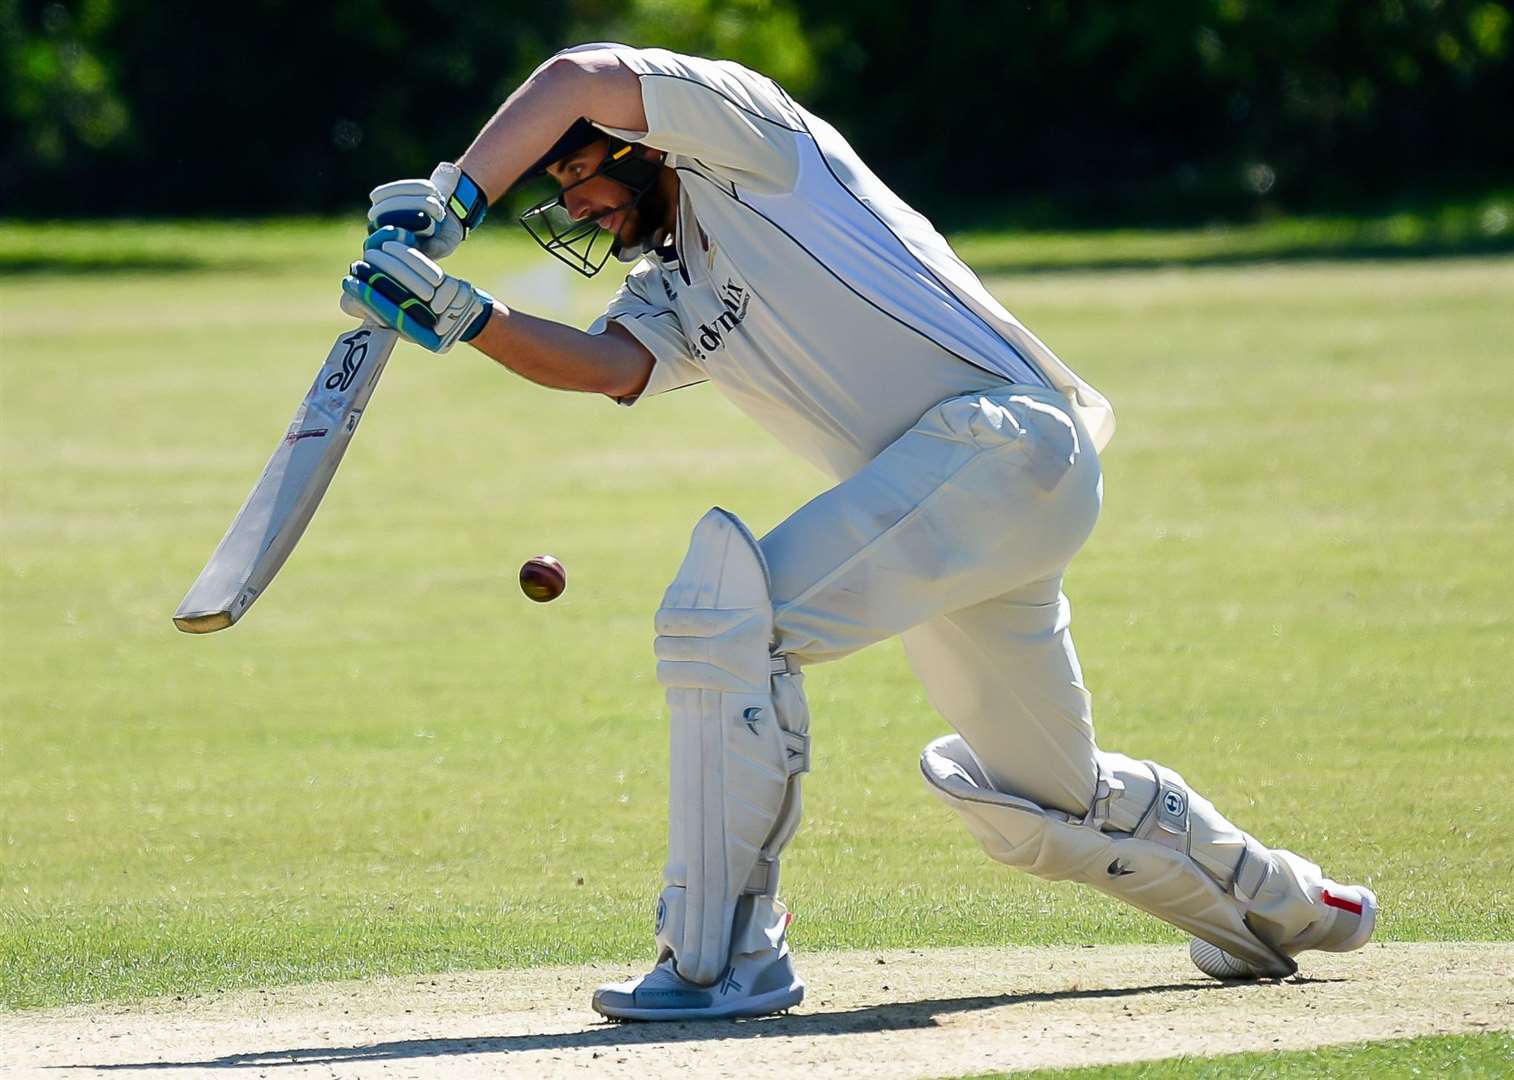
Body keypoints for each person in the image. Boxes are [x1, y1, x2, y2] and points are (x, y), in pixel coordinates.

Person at [339, 44, 1378, 1022]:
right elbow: (609, 366)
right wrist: (463, 317)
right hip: (956, 501)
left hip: (1002, 448)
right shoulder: (673, 283)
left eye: (580, 179)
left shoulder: (752, 145)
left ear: (644, 145)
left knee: (723, 623)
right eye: (559, 197)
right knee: (1039, 804)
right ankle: (1285, 905)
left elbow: (579, 73)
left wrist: (457, 196)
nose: (575, 209)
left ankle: (723, 957)